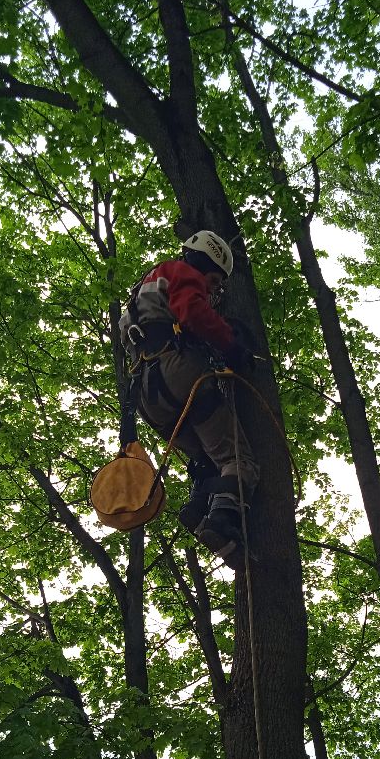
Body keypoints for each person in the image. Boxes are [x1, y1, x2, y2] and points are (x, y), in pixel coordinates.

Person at [121, 230, 258, 570]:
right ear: (204, 261)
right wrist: (232, 346)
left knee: (207, 461)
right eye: (212, 281)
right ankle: (221, 519)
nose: (212, 290)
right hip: (178, 374)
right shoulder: (179, 272)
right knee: (237, 459)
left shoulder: (141, 294)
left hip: (146, 396)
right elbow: (193, 314)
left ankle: (199, 510)